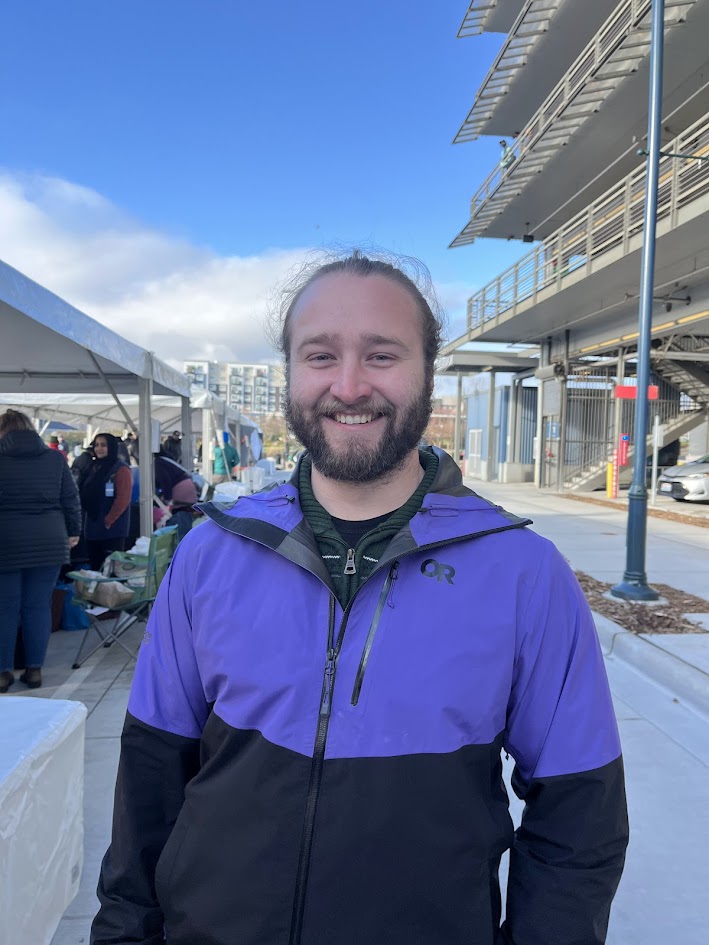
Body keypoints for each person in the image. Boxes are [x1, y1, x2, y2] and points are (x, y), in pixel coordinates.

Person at [92, 251, 628, 945]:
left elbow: (579, 819)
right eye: (320, 356)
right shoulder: (209, 556)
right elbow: (149, 784)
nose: (348, 386)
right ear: (290, 372)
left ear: (428, 372)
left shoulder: (524, 573)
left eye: (381, 355)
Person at [0, 409, 81, 692]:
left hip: (6, 541)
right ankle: (34, 670)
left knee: (4, 608)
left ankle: (3, 673)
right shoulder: (54, 458)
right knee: (38, 606)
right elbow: (71, 498)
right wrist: (73, 531)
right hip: (49, 540)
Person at [79, 433, 132, 572]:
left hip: (112, 530)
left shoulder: (121, 469)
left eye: (103, 445)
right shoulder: (93, 467)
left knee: (110, 570)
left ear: (112, 447)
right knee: (95, 568)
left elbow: (123, 499)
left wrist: (109, 520)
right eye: (96, 445)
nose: (99, 449)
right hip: (92, 529)